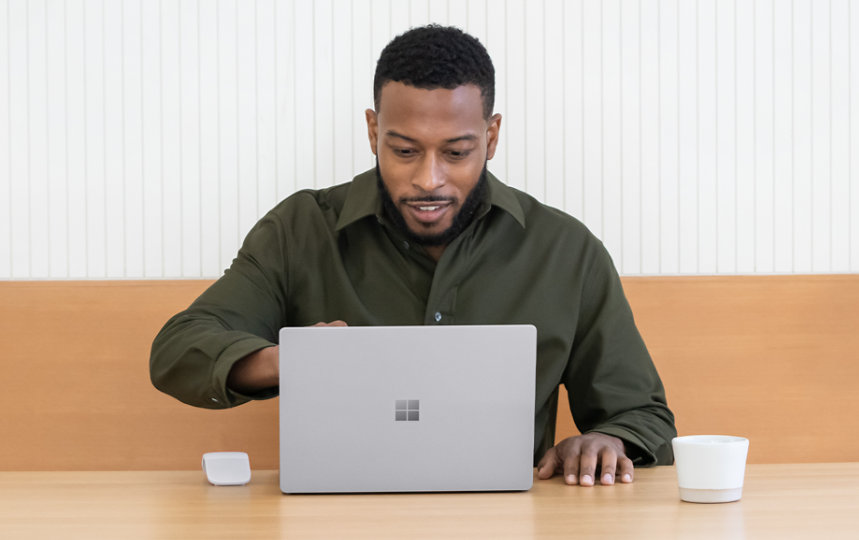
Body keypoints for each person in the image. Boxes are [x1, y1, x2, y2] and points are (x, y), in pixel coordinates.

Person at [150, 24, 676, 487]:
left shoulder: (566, 251)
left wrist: (607, 442)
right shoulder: (301, 230)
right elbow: (179, 349)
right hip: (332, 520)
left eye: (456, 152)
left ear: (491, 137)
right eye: (404, 151)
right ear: (373, 131)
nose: (429, 179)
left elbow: (643, 416)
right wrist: (293, 362)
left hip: (512, 522)